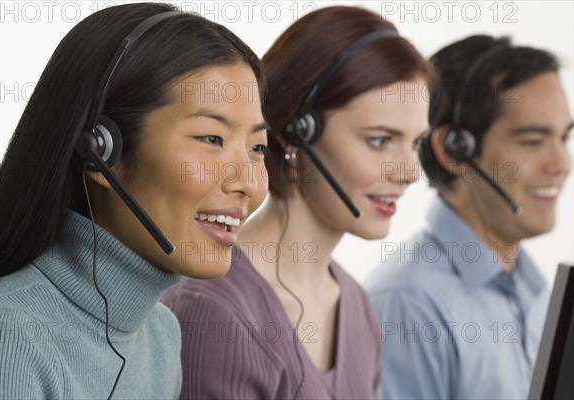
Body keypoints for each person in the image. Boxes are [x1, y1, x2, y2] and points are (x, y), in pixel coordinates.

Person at [0, 3, 268, 398]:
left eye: (257, 147)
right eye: (211, 139)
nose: (248, 183)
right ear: (101, 150)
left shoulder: (161, 335)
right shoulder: (4, 335)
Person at [161, 6, 434, 399]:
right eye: (380, 140)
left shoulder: (356, 305)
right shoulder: (215, 312)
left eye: (416, 143)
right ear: (294, 132)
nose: (410, 172)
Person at [366, 35, 574, 399]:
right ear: (454, 150)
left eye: (563, 138)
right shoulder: (409, 304)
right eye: (532, 141)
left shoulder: (533, 287)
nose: (561, 164)